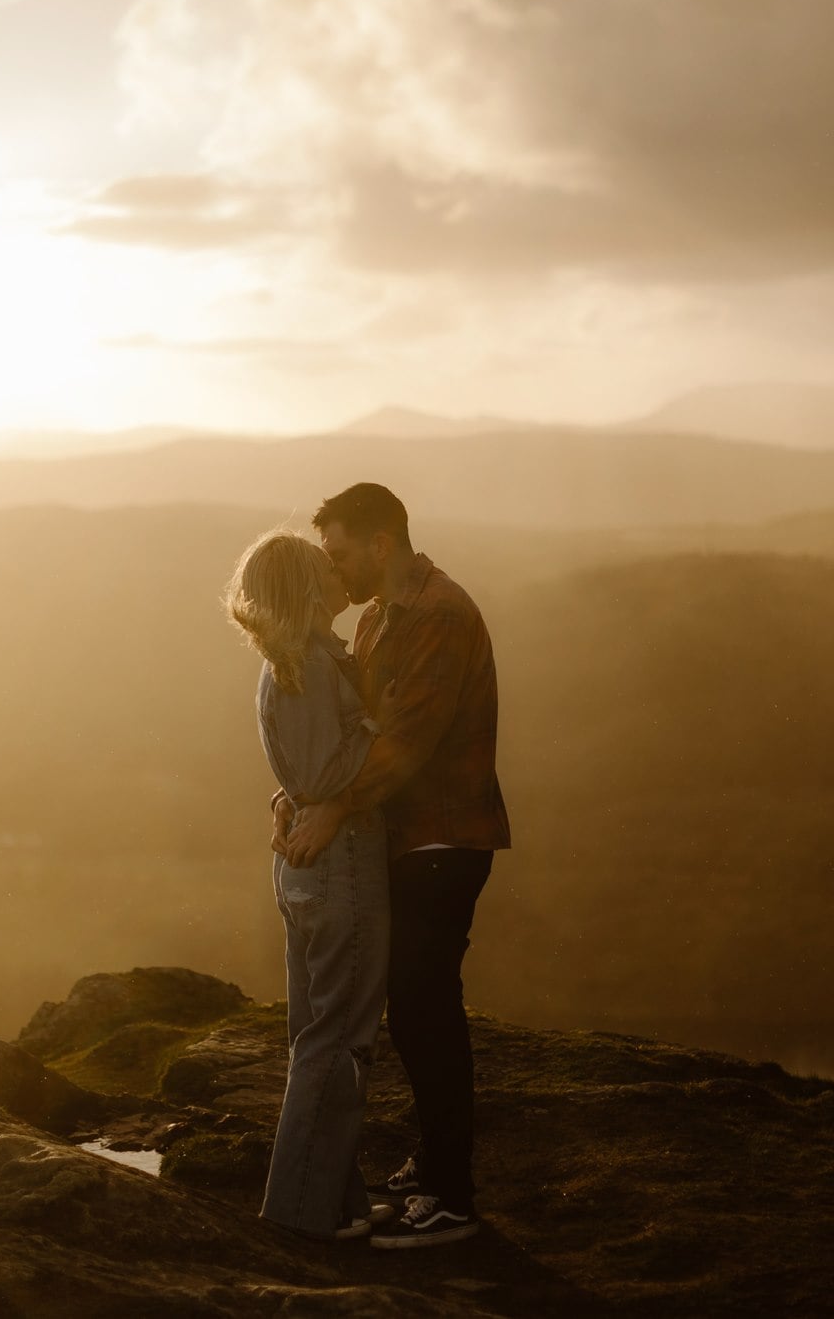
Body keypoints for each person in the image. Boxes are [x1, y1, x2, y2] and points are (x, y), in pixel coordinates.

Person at [276, 483, 510, 1250]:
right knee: (411, 1006)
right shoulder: (379, 617)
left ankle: (452, 1195)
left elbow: (406, 741)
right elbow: (352, 735)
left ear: (382, 542)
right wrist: (299, 793)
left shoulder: (439, 613)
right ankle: (435, 1159)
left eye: (342, 553)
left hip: (443, 839)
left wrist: (335, 809)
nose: (335, 573)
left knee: (423, 1006)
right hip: (406, 840)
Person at [224, 530, 393, 1241]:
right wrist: (387, 727)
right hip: (341, 863)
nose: (338, 574)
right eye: (325, 568)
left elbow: (303, 776)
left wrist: (284, 797)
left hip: (302, 870)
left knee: (315, 1037)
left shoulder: (285, 665)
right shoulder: (316, 666)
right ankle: (295, 1222)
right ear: (307, 587)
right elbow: (327, 777)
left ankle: (339, 1203)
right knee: (338, 1042)